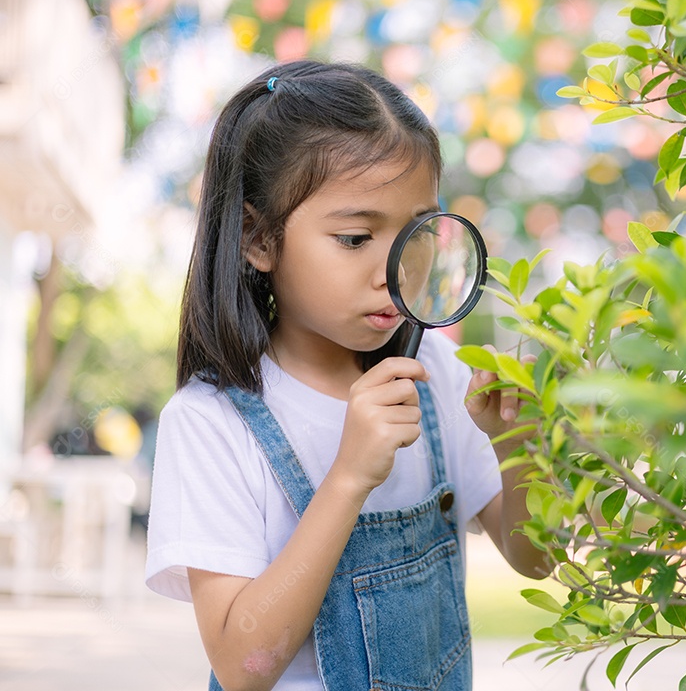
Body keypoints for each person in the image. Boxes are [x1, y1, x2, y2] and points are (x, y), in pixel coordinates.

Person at [144, 60, 552, 691]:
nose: (392, 269)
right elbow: (241, 666)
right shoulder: (211, 423)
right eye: (357, 237)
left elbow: (534, 559)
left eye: (416, 233)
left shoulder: (436, 372)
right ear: (258, 239)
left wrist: (517, 447)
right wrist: (348, 477)